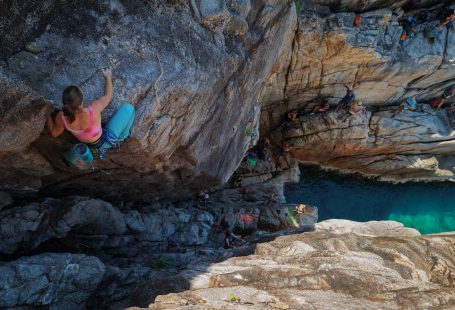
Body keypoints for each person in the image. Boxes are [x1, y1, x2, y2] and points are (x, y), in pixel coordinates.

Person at [46, 68, 135, 159]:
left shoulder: (61, 118)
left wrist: (47, 114)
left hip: (87, 144)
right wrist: (108, 76)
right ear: (82, 101)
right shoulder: (93, 110)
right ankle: (122, 137)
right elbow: (108, 95)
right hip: (103, 142)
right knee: (128, 108)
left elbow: (54, 133)